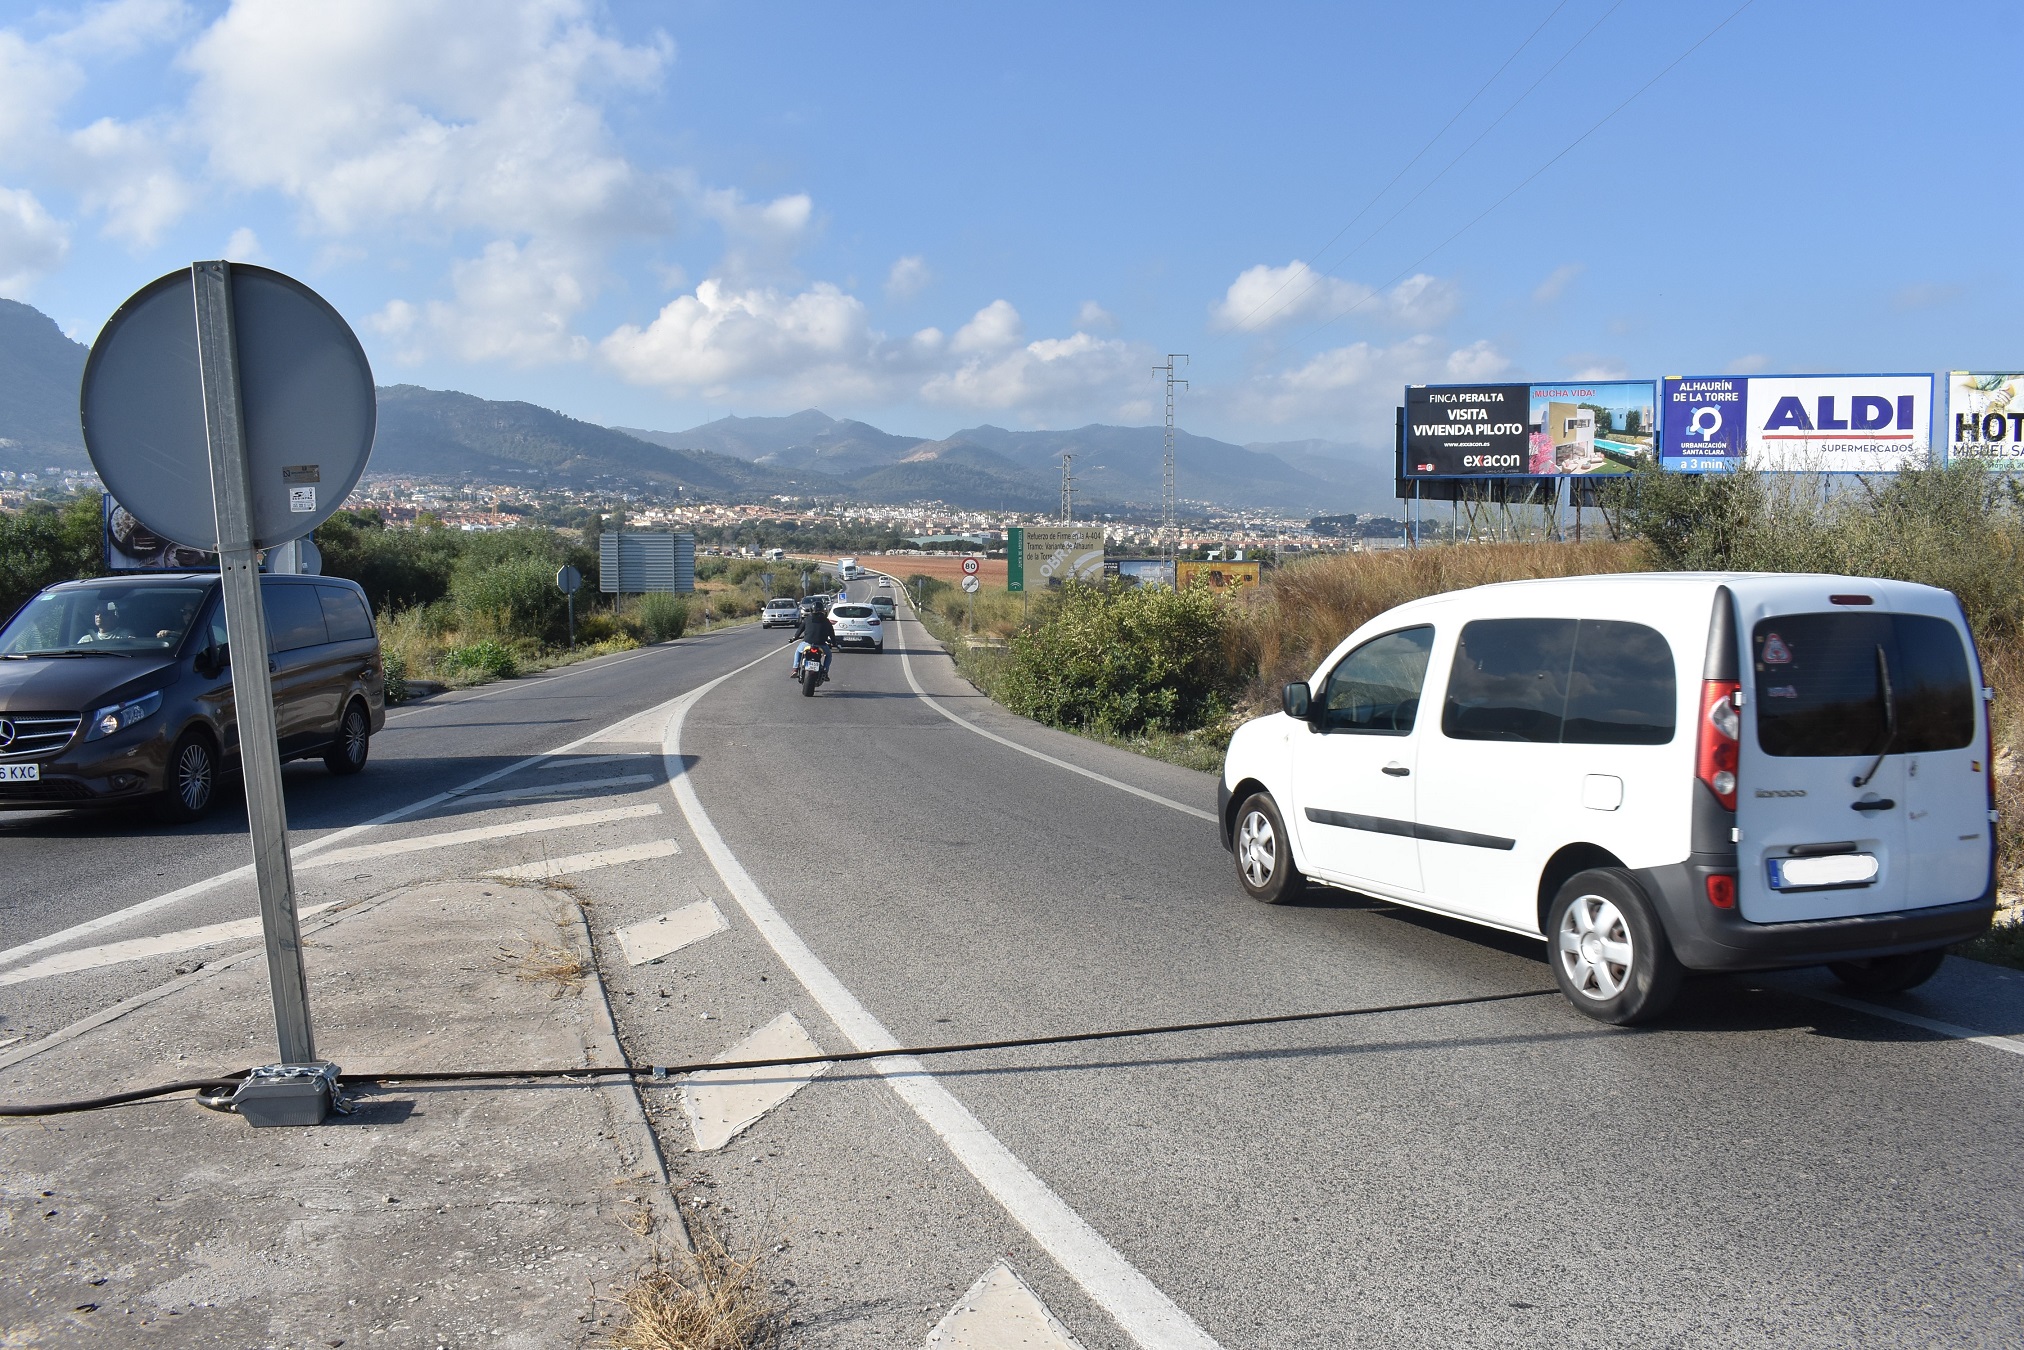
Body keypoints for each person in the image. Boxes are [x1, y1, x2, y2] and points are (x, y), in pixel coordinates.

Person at [793, 600, 836, 677]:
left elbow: (800, 629)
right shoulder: (826, 621)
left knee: (798, 651)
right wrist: (834, 643)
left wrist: (794, 637)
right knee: (829, 655)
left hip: (807, 643)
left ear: (811, 609)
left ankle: (795, 668)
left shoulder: (808, 619)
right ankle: (825, 671)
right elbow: (831, 633)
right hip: (821, 644)